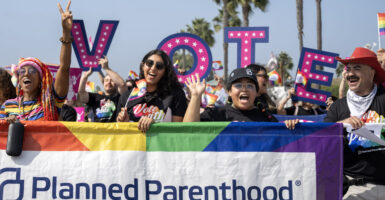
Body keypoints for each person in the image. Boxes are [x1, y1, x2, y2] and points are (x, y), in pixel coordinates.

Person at [324, 47, 385, 198]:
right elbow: (322, 139)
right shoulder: (338, 107)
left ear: (372, 73)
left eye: (357, 68)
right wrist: (340, 125)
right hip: (355, 189)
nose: (350, 73)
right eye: (348, 69)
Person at [0, 0, 72, 123]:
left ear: (41, 79)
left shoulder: (50, 102)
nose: (26, 74)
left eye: (32, 70)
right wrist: (6, 123)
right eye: (22, 71)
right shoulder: (7, 106)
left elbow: (64, 68)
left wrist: (66, 32)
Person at [183, 68, 298, 129]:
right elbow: (187, 130)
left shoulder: (265, 117)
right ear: (229, 92)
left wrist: (289, 126)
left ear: (256, 92)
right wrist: (195, 96)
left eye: (250, 85)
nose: (244, 89)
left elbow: (280, 138)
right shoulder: (217, 113)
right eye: (238, 85)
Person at [116, 49, 188, 132]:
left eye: (159, 66)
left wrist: (156, 124)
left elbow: (177, 130)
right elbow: (118, 132)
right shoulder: (127, 96)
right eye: (149, 63)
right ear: (143, 66)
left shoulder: (175, 94)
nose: (153, 68)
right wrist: (124, 123)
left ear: (165, 71)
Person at [77, 56, 126, 122]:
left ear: (116, 84)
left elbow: (122, 84)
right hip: (98, 131)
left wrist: (106, 68)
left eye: (112, 80)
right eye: (106, 80)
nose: (108, 82)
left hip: (114, 131)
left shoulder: (119, 97)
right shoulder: (96, 97)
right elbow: (81, 94)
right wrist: (85, 77)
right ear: (103, 83)